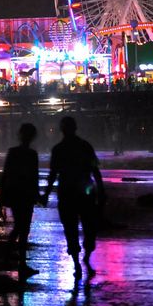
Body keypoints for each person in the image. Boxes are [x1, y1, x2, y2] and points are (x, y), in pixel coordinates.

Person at [41, 116, 106, 280]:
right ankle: (85, 259)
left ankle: (77, 262)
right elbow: (95, 171)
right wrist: (101, 191)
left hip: (67, 193)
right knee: (89, 228)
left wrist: (46, 195)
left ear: (62, 130)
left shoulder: (58, 149)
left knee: (71, 230)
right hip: (85, 193)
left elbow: (53, 174)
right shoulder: (85, 146)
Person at [0, 123, 40, 278]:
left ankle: (10, 258)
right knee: (23, 228)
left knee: (19, 227)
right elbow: (34, 177)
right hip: (26, 195)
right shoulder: (32, 154)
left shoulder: (13, 152)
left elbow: (5, 175)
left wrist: (0, 198)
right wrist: (39, 195)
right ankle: (18, 262)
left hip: (16, 194)